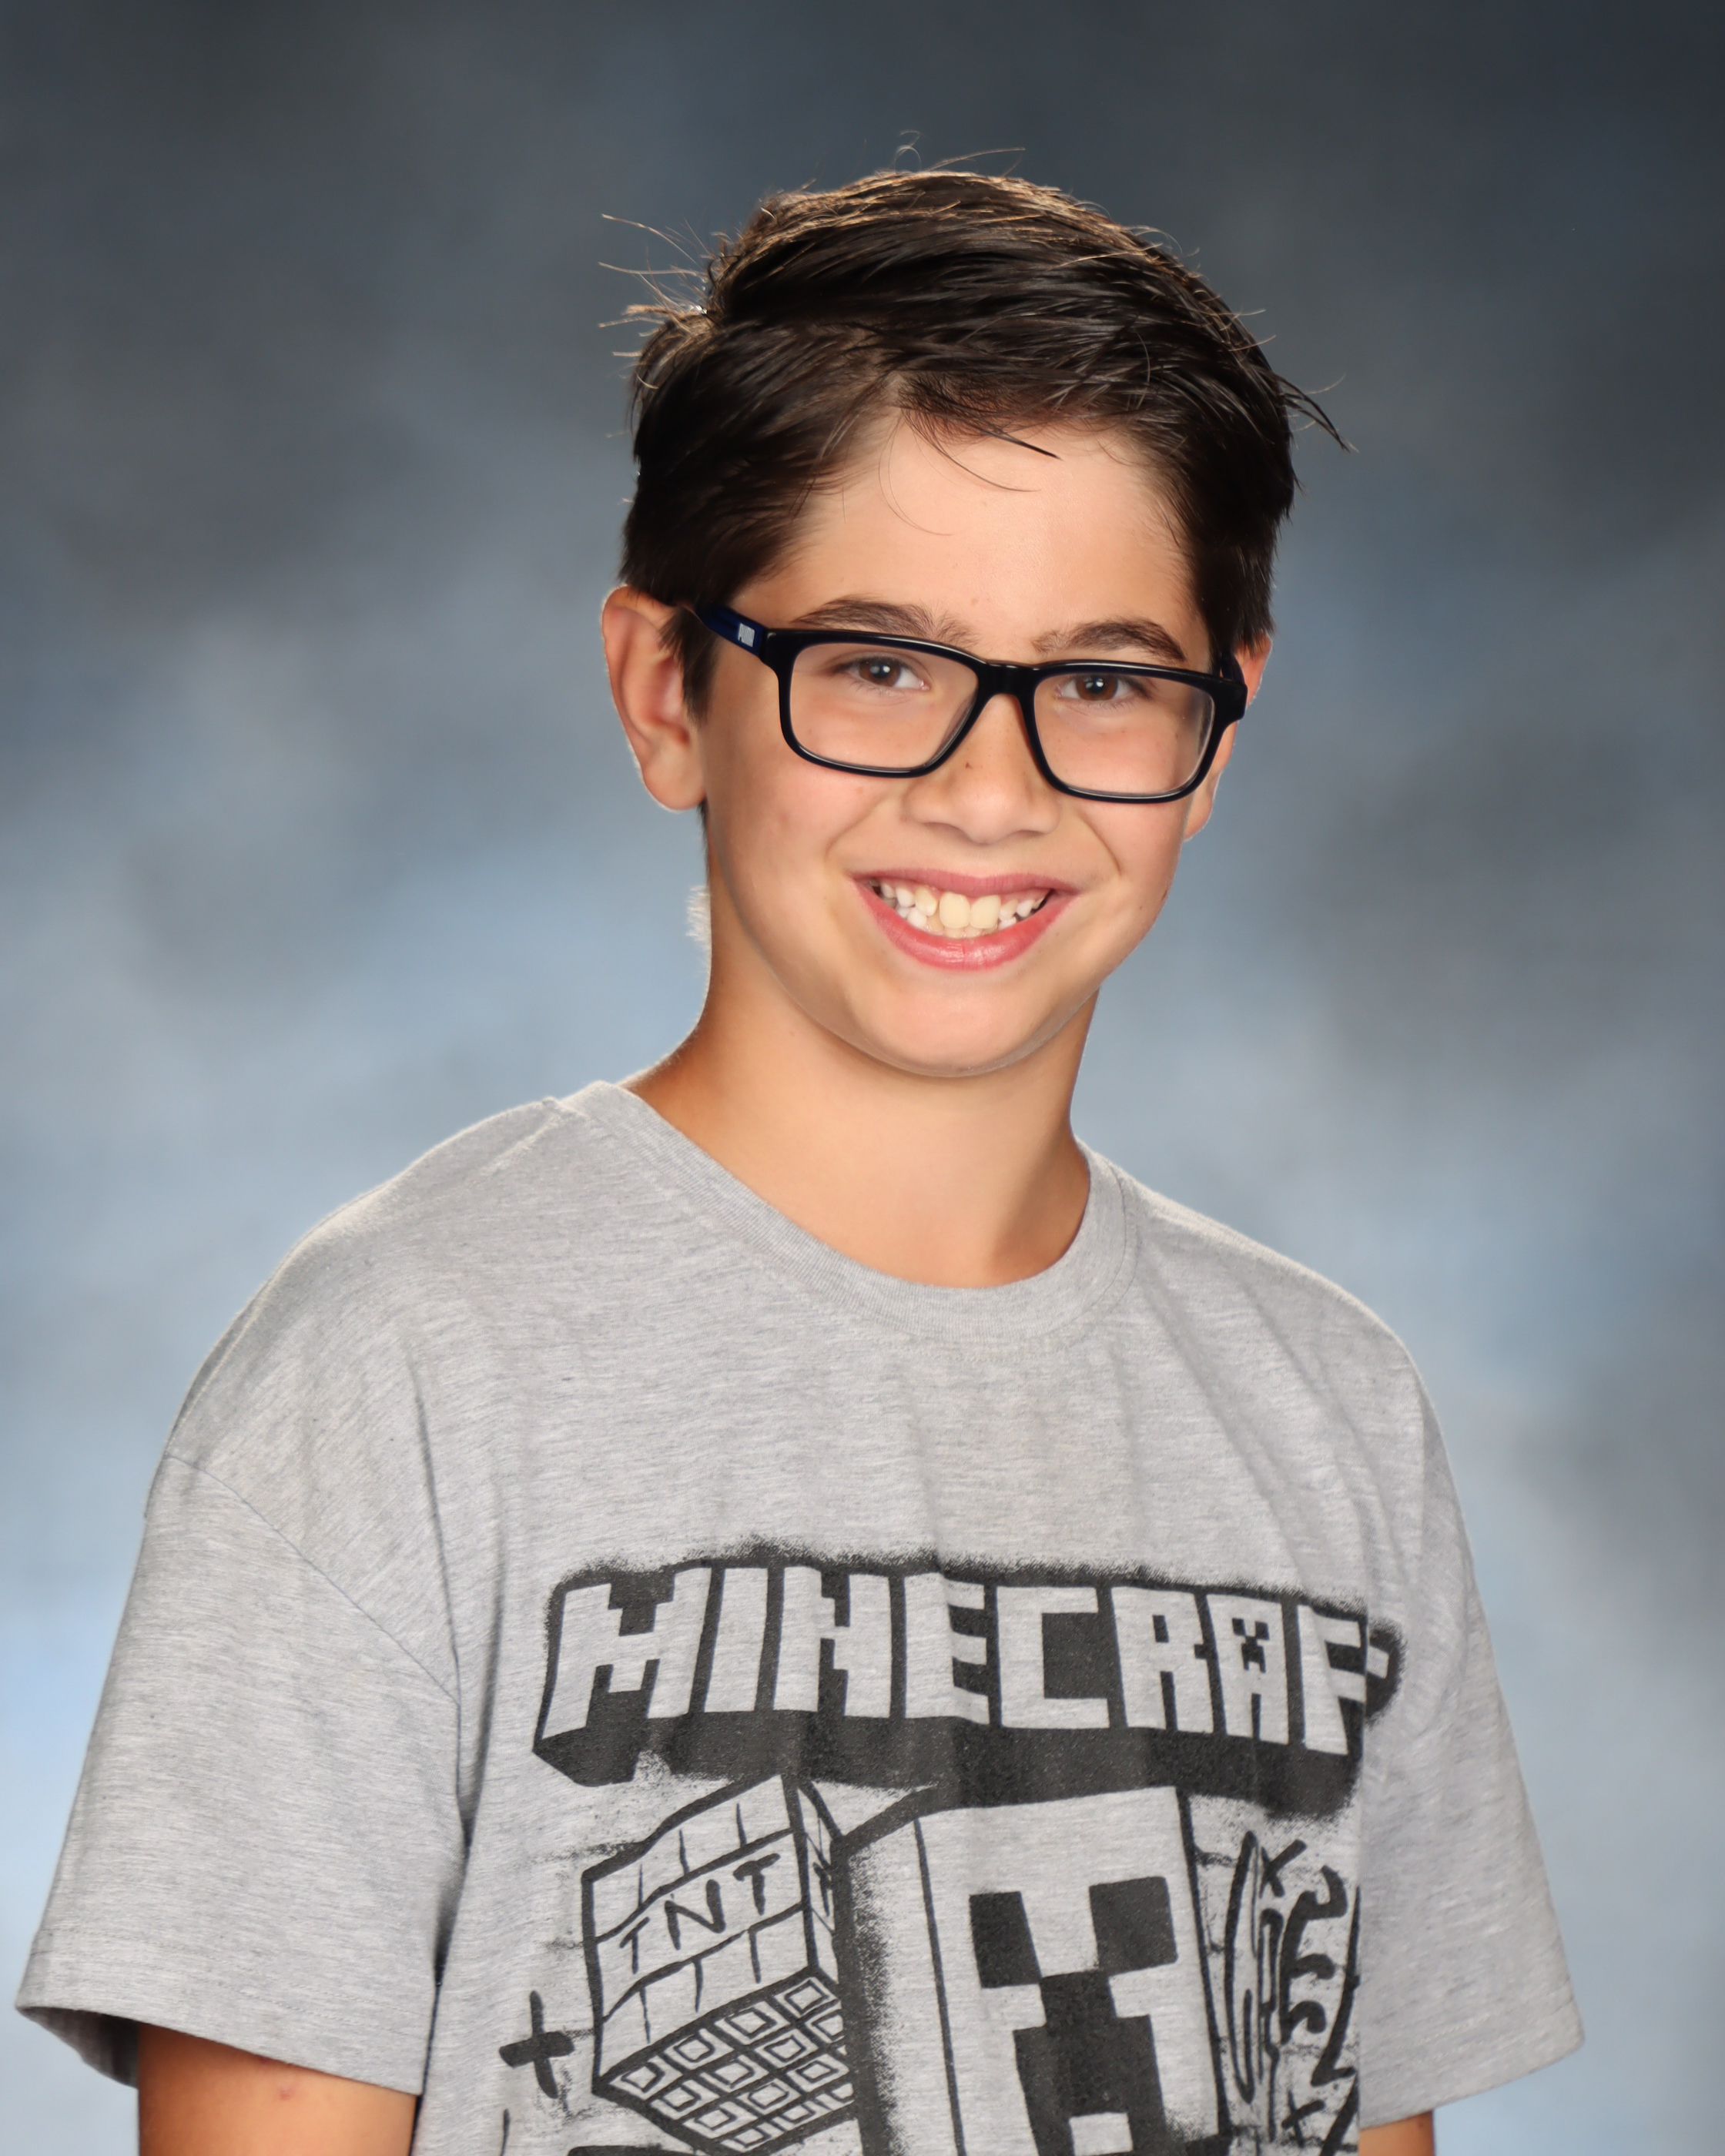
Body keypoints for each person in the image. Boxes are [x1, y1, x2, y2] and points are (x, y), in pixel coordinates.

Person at [17, 170, 1580, 2156]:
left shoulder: (1330, 1411)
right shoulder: (399, 1368)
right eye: (877, 666)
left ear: (1220, 729)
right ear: (666, 691)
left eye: (1104, 682)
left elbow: (1346, 2096)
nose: (991, 790)